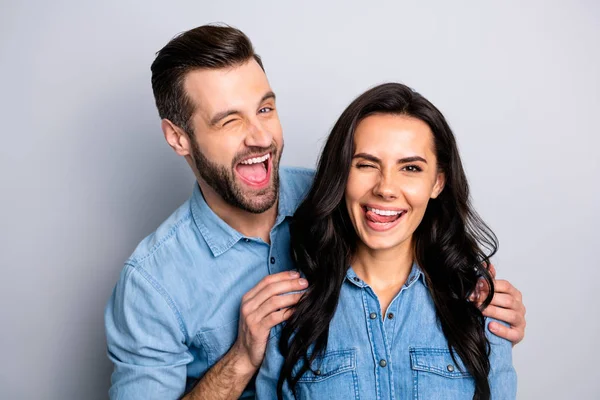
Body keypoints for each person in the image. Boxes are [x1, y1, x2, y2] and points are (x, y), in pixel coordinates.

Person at [104, 25, 525, 400]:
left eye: (265, 109)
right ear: (179, 138)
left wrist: (485, 316)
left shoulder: (340, 194)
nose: (259, 137)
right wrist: (241, 359)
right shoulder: (152, 284)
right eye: (229, 120)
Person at [255, 83, 517, 399]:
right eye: (366, 164)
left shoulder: (478, 304)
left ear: (437, 182)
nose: (386, 188)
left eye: (410, 168)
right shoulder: (291, 311)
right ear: (341, 174)